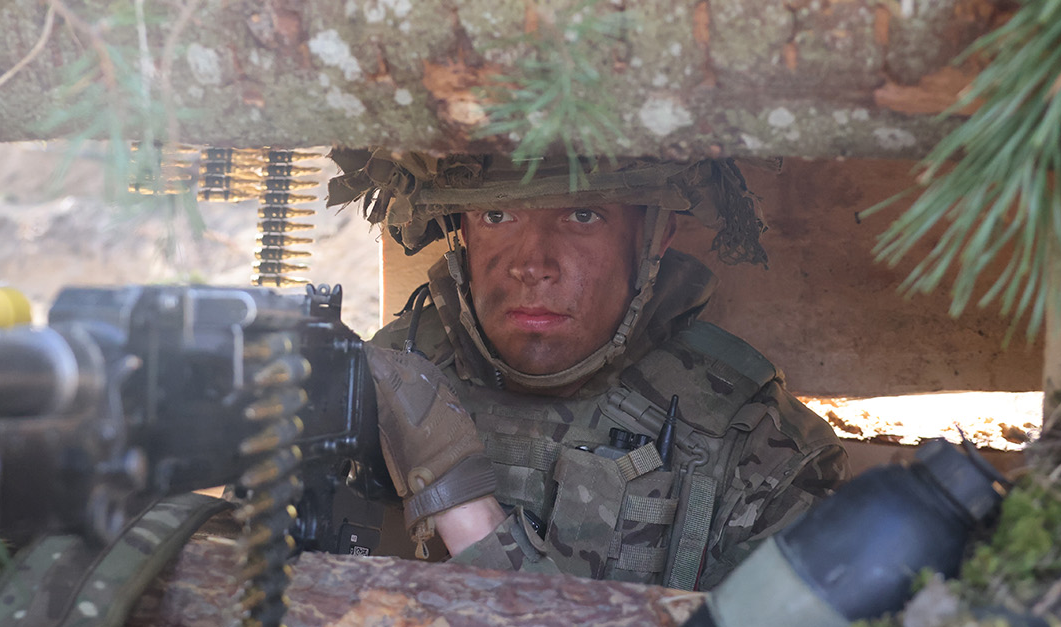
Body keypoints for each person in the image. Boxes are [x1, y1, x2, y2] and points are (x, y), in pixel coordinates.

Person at [330, 150, 848, 591]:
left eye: (581, 216)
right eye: (496, 215)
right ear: (460, 228)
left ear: (655, 235)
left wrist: (459, 499)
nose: (533, 264)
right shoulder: (382, 379)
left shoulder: (755, 452)